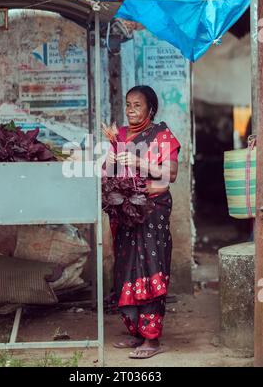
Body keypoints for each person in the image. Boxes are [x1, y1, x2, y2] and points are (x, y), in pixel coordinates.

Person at [105, 85, 180, 359]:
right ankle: (136, 332)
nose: (131, 110)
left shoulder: (162, 135)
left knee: (150, 266)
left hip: (153, 211)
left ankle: (152, 339)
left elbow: (170, 174)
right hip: (127, 211)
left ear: (151, 109)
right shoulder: (121, 135)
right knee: (127, 269)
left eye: (137, 105)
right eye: (128, 104)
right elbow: (112, 174)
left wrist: (138, 161)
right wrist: (112, 160)